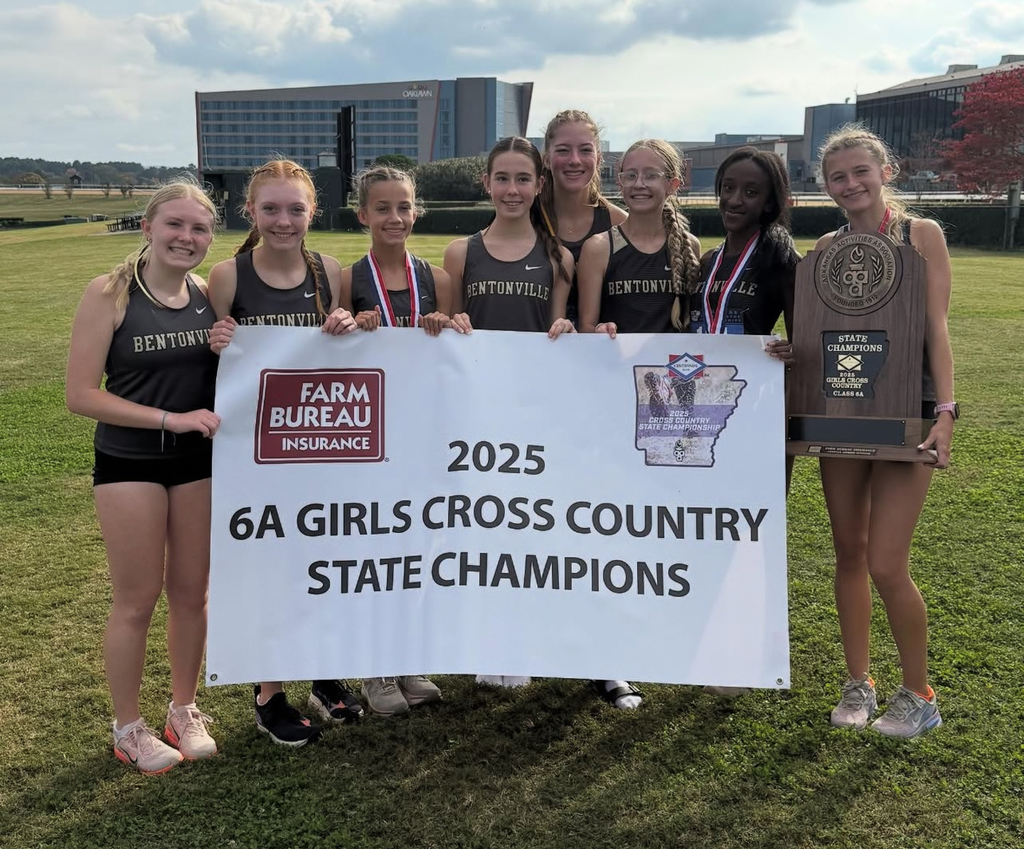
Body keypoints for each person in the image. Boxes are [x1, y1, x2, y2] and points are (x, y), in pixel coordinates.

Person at [66, 179, 221, 774]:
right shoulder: (108, 293)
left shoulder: (208, 293)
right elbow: (80, 395)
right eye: (175, 225)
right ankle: (127, 727)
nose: (186, 237)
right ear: (148, 228)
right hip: (130, 462)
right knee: (137, 598)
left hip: (197, 463)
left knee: (192, 593)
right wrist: (169, 419)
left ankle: (183, 710)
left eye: (199, 228)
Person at [207, 159, 361, 746]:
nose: (283, 220)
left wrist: (344, 323)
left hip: (321, 442)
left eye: (295, 208)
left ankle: (324, 674)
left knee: (324, 561)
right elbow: (217, 368)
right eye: (270, 208)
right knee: (269, 568)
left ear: (312, 212)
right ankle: (268, 693)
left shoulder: (329, 270)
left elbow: (334, 351)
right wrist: (217, 342)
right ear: (250, 212)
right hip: (257, 454)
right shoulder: (227, 275)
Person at [814, 124, 954, 738]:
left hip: (909, 415)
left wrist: (946, 410)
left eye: (859, 173)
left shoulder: (919, 235)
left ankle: (919, 696)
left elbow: (936, 328)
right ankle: (858, 683)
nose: (850, 185)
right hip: (843, 412)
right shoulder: (826, 246)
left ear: (884, 173)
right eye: (837, 177)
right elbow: (822, 333)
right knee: (849, 552)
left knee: (887, 562)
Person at [443, 136, 574, 689]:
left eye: (524, 179)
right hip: (472, 416)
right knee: (477, 531)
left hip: (535, 416)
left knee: (528, 531)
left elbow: (562, 332)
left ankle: (523, 643)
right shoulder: (459, 252)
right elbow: (441, 339)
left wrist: (567, 332)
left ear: (539, 185)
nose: (513, 190)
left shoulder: (558, 257)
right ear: (487, 183)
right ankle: (481, 643)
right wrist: (448, 325)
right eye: (503, 178)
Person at [576, 139, 701, 709]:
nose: (639, 184)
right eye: (629, 175)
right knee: (608, 535)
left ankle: (652, 641)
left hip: (673, 410)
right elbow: (583, 337)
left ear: (675, 184)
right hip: (609, 412)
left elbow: (703, 334)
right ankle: (607, 662)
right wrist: (595, 337)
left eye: (653, 175)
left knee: (655, 534)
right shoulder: (601, 247)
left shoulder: (692, 248)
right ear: (616, 180)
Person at [686, 146, 800, 697]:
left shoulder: (781, 261)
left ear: (769, 200)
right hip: (704, 414)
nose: (735, 199)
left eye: (750, 191)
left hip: (756, 420)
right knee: (707, 533)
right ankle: (711, 647)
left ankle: (747, 658)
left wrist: (790, 349)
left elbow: (806, 339)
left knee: (748, 539)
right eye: (728, 187)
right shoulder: (709, 262)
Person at [337, 164, 451, 714]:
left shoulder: (435, 277)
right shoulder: (348, 277)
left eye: (404, 206)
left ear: (416, 211)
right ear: (363, 215)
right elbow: (327, 344)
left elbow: (458, 353)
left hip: (423, 432)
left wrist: (446, 325)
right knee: (372, 549)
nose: (395, 217)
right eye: (382, 208)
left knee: (414, 548)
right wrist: (348, 326)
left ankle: (408, 660)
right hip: (367, 432)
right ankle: (375, 671)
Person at [538, 109, 627, 324]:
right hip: (538, 349)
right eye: (563, 150)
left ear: (599, 159)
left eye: (585, 150)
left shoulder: (621, 224)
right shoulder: (526, 219)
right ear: (547, 160)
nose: (575, 160)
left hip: (601, 350)